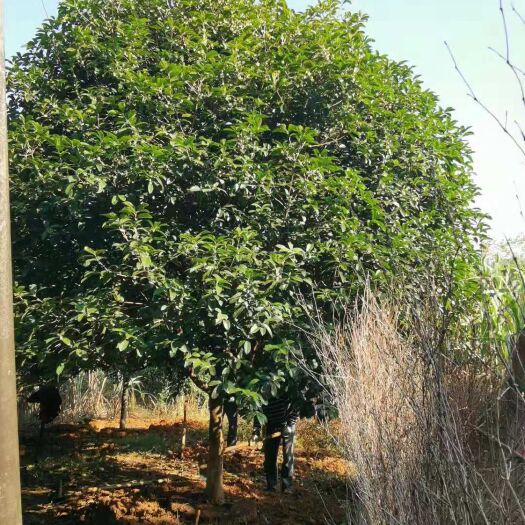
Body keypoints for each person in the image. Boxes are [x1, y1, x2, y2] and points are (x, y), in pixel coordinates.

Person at [252, 394, 299, 493]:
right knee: (270, 457)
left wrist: (290, 424)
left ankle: (287, 486)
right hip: (271, 425)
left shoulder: (285, 385)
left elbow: (297, 404)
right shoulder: (261, 390)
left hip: (287, 424)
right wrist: (256, 432)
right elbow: (258, 413)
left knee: (288, 456)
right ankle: (271, 486)